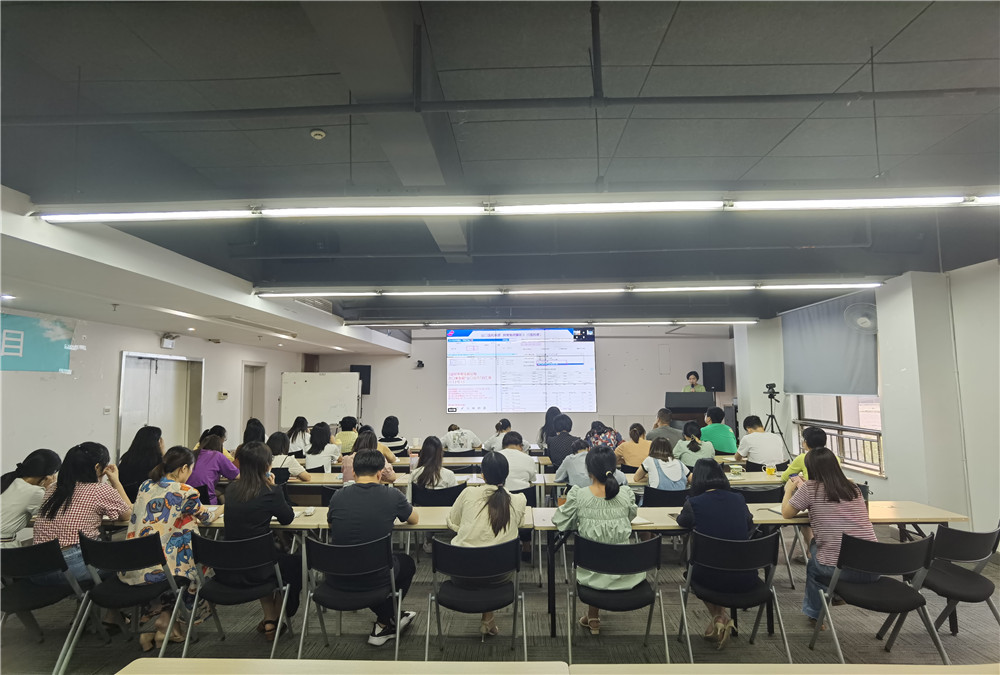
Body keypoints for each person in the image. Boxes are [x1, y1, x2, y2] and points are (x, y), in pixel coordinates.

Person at [121, 446, 220, 650]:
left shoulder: (145, 486)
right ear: (183, 468)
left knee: (174, 567)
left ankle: (166, 624)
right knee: (201, 570)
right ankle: (168, 624)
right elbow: (206, 517)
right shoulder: (185, 491)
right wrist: (221, 509)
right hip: (164, 567)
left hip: (137, 563)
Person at [326, 449, 419, 646]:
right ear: (379, 474)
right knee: (407, 563)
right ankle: (388, 619)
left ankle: (387, 620)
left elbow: (331, 524)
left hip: (337, 575)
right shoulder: (392, 495)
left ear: (354, 472)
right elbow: (414, 519)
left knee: (372, 562)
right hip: (375, 576)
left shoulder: (337, 497)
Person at [782, 447, 878, 627]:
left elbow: (786, 513)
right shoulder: (853, 488)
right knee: (822, 548)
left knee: (814, 559)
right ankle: (836, 594)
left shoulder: (810, 488)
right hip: (873, 569)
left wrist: (789, 490)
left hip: (839, 569)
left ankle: (815, 614)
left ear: (810, 468)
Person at [553, 445, 642, 635]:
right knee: (608, 552)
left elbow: (561, 522)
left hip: (591, 576)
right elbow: (630, 517)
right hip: (626, 573)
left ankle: (593, 617)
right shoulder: (626, 494)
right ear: (614, 468)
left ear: (589, 470)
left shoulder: (579, 495)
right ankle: (592, 616)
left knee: (596, 556)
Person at [219, 442, 301, 640]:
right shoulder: (270, 491)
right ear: (266, 465)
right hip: (261, 566)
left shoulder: (231, 490)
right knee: (296, 563)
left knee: (262, 556)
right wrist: (274, 487)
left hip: (230, 566)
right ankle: (278, 616)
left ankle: (269, 618)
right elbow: (287, 518)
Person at [446, 452, 528, 639]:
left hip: (461, 573)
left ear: (482, 475)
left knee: (480, 552)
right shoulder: (518, 500)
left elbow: (453, 520)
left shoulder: (468, 493)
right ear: (506, 474)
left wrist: (464, 528)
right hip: (500, 575)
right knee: (491, 554)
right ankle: (488, 618)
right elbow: (519, 523)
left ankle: (488, 618)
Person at [676, 459, 756, 647]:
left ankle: (719, 617)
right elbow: (749, 524)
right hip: (745, 575)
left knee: (694, 571)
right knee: (716, 564)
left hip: (708, 577)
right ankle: (720, 618)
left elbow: (682, 521)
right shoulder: (739, 499)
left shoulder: (694, 503)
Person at [33, 442, 132, 583]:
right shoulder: (99, 490)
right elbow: (128, 515)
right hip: (70, 567)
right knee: (127, 559)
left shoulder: (53, 488)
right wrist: (115, 481)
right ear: (97, 467)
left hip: (37, 567)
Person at [1, 449, 62, 548]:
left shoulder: (7, 480)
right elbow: (56, 515)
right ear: (48, 476)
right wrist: (50, 487)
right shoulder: (35, 492)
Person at [187, 434, 239, 504]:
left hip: (187, 498)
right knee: (224, 491)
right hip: (207, 501)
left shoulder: (193, 454)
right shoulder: (217, 455)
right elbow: (237, 475)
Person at [118, 426, 165, 502]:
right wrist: (163, 452)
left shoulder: (127, 458)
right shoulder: (158, 461)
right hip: (150, 502)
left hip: (125, 501)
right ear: (158, 442)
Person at [556, 440, 626, 489]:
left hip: (578, 498)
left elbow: (558, 478)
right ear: (589, 448)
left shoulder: (569, 459)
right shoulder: (595, 458)